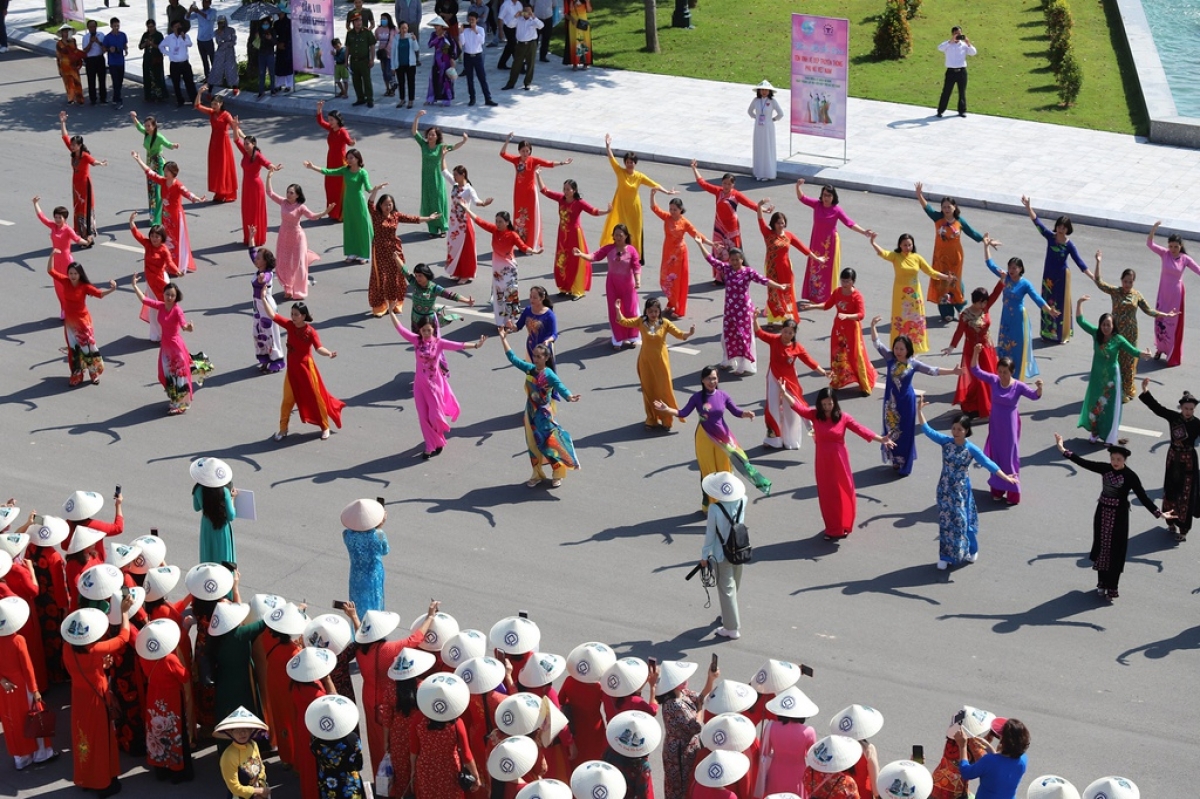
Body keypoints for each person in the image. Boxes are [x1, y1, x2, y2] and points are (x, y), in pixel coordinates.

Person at [1055, 434, 1171, 600]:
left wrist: (1160, 514)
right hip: (1102, 513)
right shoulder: (1105, 469)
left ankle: (1112, 586)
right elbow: (1084, 462)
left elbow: (1143, 497)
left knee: (1115, 552)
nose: (1115, 462)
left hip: (1119, 517)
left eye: (1118, 459)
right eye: (1113, 458)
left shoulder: (1130, 476)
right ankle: (1101, 583)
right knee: (1103, 549)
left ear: (1124, 460)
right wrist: (1062, 449)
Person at [779, 384, 891, 540]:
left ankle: (844, 524)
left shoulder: (843, 417)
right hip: (823, 462)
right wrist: (784, 393)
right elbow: (798, 408)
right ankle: (832, 529)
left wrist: (881, 439)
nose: (827, 408)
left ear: (835, 402)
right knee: (827, 494)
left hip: (840, 461)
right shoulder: (815, 415)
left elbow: (860, 429)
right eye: (824, 404)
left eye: (829, 404)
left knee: (844, 491)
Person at [655, 366, 771, 511]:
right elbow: (683, 413)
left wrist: (746, 413)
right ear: (702, 380)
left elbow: (736, 412)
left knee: (725, 471)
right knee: (708, 472)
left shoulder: (723, 395)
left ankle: (727, 502)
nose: (712, 381)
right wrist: (667, 410)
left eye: (714, 378)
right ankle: (710, 505)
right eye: (709, 378)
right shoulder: (697, 397)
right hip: (704, 438)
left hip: (723, 437)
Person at [918, 401, 1015, 570]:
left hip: (961, 492)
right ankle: (945, 556)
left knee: (963, 523)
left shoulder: (971, 449)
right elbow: (927, 430)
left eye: (960, 429)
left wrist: (1006, 477)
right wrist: (919, 411)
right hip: (944, 489)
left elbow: (988, 463)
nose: (956, 432)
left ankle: (972, 549)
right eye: (954, 428)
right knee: (946, 523)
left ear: (967, 431)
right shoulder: (946, 442)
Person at [870, 315, 960, 478]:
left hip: (907, 403)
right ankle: (895, 459)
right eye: (896, 348)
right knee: (891, 429)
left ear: (908, 350)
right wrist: (872, 326)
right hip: (890, 403)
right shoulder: (890, 358)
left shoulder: (913, 364)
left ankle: (905, 462)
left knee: (905, 432)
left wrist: (953, 372)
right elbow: (877, 344)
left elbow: (933, 371)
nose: (898, 351)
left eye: (901, 349)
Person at [64, 597, 134, 799]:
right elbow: (123, 637)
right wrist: (124, 613)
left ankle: (85, 777)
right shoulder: (94, 649)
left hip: (79, 697)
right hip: (97, 699)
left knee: (82, 738)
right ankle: (103, 783)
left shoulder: (68, 647)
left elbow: (77, 668)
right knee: (101, 740)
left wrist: (98, 666)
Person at [391, 312, 488, 458]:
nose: (425, 333)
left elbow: (458, 345)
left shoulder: (439, 343)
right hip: (419, 385)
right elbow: (400, 329)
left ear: (433, 329)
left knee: (435, 416)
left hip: (434, 386)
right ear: (419, 330)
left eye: (428, 330)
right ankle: (430, 445)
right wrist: (392, 312)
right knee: (423, 417)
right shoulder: (417, 341)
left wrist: (476, 345)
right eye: (423, 330)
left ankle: (439, 439)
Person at [500, 328, 581, 488]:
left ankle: (558, 473)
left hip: (544, 416)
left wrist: (569, 397)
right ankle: (537, 474)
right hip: (530, 414)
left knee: (549, 445)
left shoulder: (549, 374)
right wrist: (503, 339)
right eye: (534, 356)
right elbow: (513, 358)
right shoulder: (529, 369)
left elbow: (560, 386)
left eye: (539, 356)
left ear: (546, 358)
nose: (535, 359)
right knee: (533, 446)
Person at [696, 238, 786, 375]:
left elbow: (764, 280)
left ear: (742, 259)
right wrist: (700, 244)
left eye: (737, 259)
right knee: (727, 335)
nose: (735, 262)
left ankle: (743, 365)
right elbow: (711, 260)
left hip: (743, 310)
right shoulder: (727, 269)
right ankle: (728, 360)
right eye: (732, 260)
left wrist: (779, 286)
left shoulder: (748, 272)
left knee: (743, 337)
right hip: (729, 309)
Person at [1091, 250, 1171, 403]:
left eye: (1130, 282)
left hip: (1131, 333)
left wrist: (1165, 315)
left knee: (1128, 363)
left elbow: (1149, 310)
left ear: (1133, 282)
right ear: (1121, 280)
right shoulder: (1115, 292)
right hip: (1115, 333)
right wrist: (1098, 262)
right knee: (1113, 361)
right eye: (1125, 281)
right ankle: (1112, 388)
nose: (1127, 284)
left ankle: (1127, 390)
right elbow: (1099, 282)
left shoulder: (1136, 295)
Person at [265, 295, 346, 441]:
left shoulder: (310, 332)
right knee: (287, 401)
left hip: (307, 370)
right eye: (292, 314)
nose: (293, 317)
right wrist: (262, 297)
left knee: (316, 398)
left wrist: (328, 353)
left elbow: (319, 348)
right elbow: (272, 315)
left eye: (296, 315)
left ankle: (325, 427)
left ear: (303, 316)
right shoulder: (289, 325)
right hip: (292, 372)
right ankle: (283, 429)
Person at [971, 344, 1042, 506]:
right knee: (996, 456)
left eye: (1005, 372)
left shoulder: (1018, 386)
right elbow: (976, 370)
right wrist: (976, 352)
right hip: (995, 425)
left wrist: (1039, 388)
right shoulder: (994, 380)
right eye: (1000, 371)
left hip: (1010, 427)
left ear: (1012, 372)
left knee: (1009, 458)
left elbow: (1034, 396)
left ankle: (1013, 493)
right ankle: (997, 489)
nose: (1002, 375)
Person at [1074, 295, 1148, 444]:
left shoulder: (1118, 339)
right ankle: (1094, 432)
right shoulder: (1096, 334)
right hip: (1096, 377)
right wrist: (1079, 302)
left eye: (1109, 325)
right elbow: (1080, 321)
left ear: (1113, 326)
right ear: (1100, 325)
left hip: (1112, 379)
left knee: (1109, 407)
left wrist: (1143, 354)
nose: (1106, 327)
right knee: (1094, 405)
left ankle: (1109, 436)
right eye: (1103, 324)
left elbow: (1132, 350)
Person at [982, 234, 1057, 379]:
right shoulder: (1005, 277)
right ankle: (1003, 373)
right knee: (1004, 345)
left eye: (1014, 268)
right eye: (1010, 267)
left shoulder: (1025, 284)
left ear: (1021, 269)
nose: (1011, 270)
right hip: (1006, 318)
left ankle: (1016, 375)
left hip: (1018, 318)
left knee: (1017, 347)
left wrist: (1049, 310)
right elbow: (990, 264)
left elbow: (1037, 298)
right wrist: (986, 246)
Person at [618, 298, 695, 430]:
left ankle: (666, 418)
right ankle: (651, 418)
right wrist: (617, 309)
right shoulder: (641, 321)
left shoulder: (665, 323)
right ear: (646, 311)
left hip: (661, 362)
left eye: (656, 311)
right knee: (649, 390)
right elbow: (623, 321)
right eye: (650, 311)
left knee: (663, 390)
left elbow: (679, 334)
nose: (653, 314)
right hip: (645, 361)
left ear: (659, 311)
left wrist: (689, 333)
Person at [869, 231, 950, 355]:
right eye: (905, 245)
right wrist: (873, 242)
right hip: (900, 295)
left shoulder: (917, 258)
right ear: (900, 245)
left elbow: (931, 272)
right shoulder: (896, 256)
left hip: (914, 295)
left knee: (915, 320)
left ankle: (914, 348)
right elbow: (883, 253)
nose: (907, 247)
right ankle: (899, 349)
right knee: (901, 321)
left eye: (909, 245)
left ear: (913, 245)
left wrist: (946, 277)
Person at [1022, 196, 1090, 343]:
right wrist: (1028, 207)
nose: (1061, 229)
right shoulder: (1051, 237)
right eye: (1059, 226)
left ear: (1068, 229)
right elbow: (1037, 223)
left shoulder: (1069, 245)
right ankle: (1047, 333)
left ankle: (1060, 334)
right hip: (1048, 277)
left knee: (1059, 304)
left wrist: (1092, 276)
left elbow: (1079, 262)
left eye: (1064, 227)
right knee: (1046, 301)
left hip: (1061, 279)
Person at [1138, 381, 1200, 542]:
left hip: (1189, 462)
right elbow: (1158, 409)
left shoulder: (1197, 424)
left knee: (1185, 495)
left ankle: (1184, 529)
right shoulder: (1174, 418)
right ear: (1181, 408)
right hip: (1173, 459)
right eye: (1186, 409)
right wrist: (1145, 391)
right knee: (1170, 492)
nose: (1188, 412)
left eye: (1191, 409)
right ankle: (1170, 522)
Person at [800, 268, 877, 396]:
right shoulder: (837, 292)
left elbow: (861, 315)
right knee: (838, 354)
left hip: (852, 329)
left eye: (847, 281)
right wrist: (813, 306)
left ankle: (864, 385)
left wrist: (848, 316)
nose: (844, 283)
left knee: (854, 356)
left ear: (853, 282)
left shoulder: (857, 296)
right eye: (843, 280)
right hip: (838, 329)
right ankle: (837, 381)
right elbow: (827, 305)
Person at [136, 618, 195, 783]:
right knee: (174, 732)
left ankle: (161, 769)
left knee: (157, 732)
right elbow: (184, 676)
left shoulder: (144, 657)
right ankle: (178, 770)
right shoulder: (170, 659)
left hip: (154, 695)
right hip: (171, 699)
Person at [44, 250, 116, 386]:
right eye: (70, 273)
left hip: (83, 322)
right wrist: (52, 255)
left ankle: (93, 373)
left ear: (80, 274)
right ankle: (77, 375)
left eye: (75, 273)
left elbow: (99, 294)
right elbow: (50, 271)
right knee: (74, 350)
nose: (72, 276)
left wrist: (112, 289)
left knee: (89, 348)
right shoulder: (65, 281)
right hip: (70, 324)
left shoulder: (84, 286)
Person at [132, 276, 202, 414]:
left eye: (172, 295)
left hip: (176, 348)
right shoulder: (161, 306)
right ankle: (175, 399)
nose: (169, 297)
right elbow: (145, 300)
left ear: (176, 297)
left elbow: (184, 325)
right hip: (165, 347)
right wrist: (134, 286)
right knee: (166, 374)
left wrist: (189, 327)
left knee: (179, 375)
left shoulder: (177, 310)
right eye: (167, 294)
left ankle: (180, 404)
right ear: (163, 295)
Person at [915, 183, 984, 322]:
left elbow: (972, 232)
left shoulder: (959, 221)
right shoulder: (938, 219)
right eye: (944, 207)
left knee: (956, 283)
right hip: (940, 258)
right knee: (942, 282)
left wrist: (985, 240)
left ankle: (961, 309)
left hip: (956, 258)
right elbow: (927, 208)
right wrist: (919, 195)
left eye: (949, 206)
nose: (946, 209)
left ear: (954, 207)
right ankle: (946, 312)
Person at [795, 179, 872, 304]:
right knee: (814, 268)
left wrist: (864, 232)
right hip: (816, 242)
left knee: (827, 270)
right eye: (825, 195)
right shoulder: (817, 205)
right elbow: (802, 198)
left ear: (833, 196)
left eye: (829, 195)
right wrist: (798, 186)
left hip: (829, 244)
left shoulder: (837, 210)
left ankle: (825, 297)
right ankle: (814, 295)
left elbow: (849, 223)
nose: (826, 198)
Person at [754, 315, 825, 450]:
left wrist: (823, 372)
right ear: (782, 330)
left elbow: (810, 361)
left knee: (792, 409)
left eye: (790, 333)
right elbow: (759, 332)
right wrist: (754, 319)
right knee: (772, 407)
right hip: (774, 378)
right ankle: (773, 439)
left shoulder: (797, 347)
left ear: (794, 334)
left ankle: (791, 440)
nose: (787, 335)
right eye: (785, 331)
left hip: (790, 381)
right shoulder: (774, 340)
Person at [0, 597, 54, 772]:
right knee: (32, 717)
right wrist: (35, 689)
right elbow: (28, 668)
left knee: (12, 721)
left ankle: (21, 757)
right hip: (22, 685)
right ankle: (41, 754)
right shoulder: (18, 640)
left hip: (5, 687)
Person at [464, 204, 536, 329]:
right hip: (497, 270)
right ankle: (501, 320)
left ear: (507, 222)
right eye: (496, 221)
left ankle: (510, 320)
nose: (497, 224)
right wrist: (467, 209)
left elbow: (523, 246)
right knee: (499, 295)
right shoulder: (494, 230)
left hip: (509, 270)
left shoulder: (512, 235)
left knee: (510, 294)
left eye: (500, 221)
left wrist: (533, 251)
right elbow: (479, 221)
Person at [602, 134, 671, 262]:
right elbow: (611, 158)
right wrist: (608, 146)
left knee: (634, 230)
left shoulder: (639, 176)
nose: (629, 164)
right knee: (620, 231)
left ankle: (635, 256)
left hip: (634, 207)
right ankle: (619, 254)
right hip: (621, 206)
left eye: (631, 162)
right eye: (627, 162)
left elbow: (653, 183)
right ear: (625, 163)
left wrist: (666, 192)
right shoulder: (620, 172)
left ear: (635, 163)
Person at [368, 186, 436, 316]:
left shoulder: (396, 216)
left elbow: (413, 219)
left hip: (395, 249)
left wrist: (429, 218)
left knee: (396, 276)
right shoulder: (376, 216)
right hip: (380, 250)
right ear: (380, 206)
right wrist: (375, 190)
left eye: (390, 204)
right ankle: (381, 306)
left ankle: (395, 303)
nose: (388, 207)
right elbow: (370, 204)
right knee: (381, 277)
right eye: (385, 204)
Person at [132, 152, 205, 274]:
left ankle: (177, 265)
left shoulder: (178, 185)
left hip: (176, 217)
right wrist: (139, 160)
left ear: (173, 172)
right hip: (165, 217)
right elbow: (150, 173)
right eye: (164, 170)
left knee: (176, 240)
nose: (164, 172)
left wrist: (197, 199)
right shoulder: (162, 181)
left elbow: (187, 193)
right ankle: (168, 263)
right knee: (167, 240)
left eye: (167, 171)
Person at [538, 171, 604, 299]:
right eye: (564, 189)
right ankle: (564, 288)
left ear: (574, 190)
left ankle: (577, 290)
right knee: (562, 260)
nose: (565, 191)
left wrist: (607, 211)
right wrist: (537, 175)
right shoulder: (560, 199)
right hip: (562, 235)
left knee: (575, 261)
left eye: (568, 189)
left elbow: (594, 211)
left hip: (574, 235)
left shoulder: (579, 203)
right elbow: (545, 191)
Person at [266, 170, 330, 300]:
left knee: (298, 263)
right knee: (284, 262)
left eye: (291, 193)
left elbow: (312, 216)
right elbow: (270, 193)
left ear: (297, 195)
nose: (288, 195)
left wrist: (325, 212)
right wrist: (269, 177)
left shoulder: (301, 207)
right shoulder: (283, 202)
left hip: (297, 237)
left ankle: (299, 291)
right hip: (284, 235)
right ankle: (288, 287)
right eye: (287, 192)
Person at [698, 471, 748, 639]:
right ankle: (727, 612)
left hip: (722, 553)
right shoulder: (743, 501)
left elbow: (710, 535)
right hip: (740, 548)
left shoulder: (715, 509)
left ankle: (731, 627)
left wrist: (704, 555)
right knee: (735, 582)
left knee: (726, 588)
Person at [576, 224, 642, 350]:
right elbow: (595, 256)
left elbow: (636, 266)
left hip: (628, 285)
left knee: (630, 311)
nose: (618, 237)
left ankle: (633, 337)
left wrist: (638, 280)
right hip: (612, 284)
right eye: (616, 235)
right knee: (615, 311)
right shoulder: (609, 249)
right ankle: (618, 339)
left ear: (626, 236)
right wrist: (581, 255)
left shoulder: (632, 250)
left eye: (620, 235)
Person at [659, 662, 719, 799]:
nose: (686, 681)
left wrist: (710, 678)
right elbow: (696, 726)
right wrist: (699, 709)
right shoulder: (674, 704)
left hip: (685, 747)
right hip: (679, 752)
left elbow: (701, 698)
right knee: (679, 786)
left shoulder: (682, 693)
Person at [303, 148, 372, 264]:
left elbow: (368, 188)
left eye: (351, 158)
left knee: (362, 228)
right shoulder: (345, 170)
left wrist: (375, 190)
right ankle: (352, 253)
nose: (349, 160)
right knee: (350, 227)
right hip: (348, 203)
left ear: (358, 159)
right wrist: (312, 167)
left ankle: (364, 254)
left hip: (359, 203)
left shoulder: (362, 172)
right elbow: (328, 172)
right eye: (347, 158)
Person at [941, 286, 1000, 418]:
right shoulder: (965, 314)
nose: (984, 304)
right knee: (977, 379)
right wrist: (951, 346)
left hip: (987, 349)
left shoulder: (985, 308)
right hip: (972, 352)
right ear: (975, 301)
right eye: (981, 302)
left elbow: (995, 294)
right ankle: (974, 405)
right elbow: (959, 331)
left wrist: (1001, 281)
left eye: (985, 302)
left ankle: (989, 404)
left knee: (989, 377)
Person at [1145, 222, 1199, 366]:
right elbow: (1150, 244)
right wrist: (1154, 229)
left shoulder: (1185, 259)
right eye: (1171, 246)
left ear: (1180, 246)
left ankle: (1170, 352)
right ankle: (1160, 349)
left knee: (1172, 324)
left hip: (1176, 295)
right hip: (1163, 293)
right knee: (1159, 321)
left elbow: (1198, 270)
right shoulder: (1164, 254)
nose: (1173, 249)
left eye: (1176, 246)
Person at [756, 200, 818, 324]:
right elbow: (760, 220)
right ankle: (771, 319)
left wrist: (816, 258)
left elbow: (802, 247)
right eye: (778, 223)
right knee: (773, 292)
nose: (780, 225)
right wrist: (759, 206)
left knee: (786, 292)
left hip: (786, 267)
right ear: (773, 224)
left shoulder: (789, 236)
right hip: (771, 268)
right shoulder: (767, 233)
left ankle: (786, 317)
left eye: (782, 223)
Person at [501, 135, 568, 249]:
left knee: (530, 218)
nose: (525, 153)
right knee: (519, 217)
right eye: (523, 151)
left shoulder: (533, 161)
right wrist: (507, 141)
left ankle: (531, 243)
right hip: (518, 193)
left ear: (530, 151)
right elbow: (502, 154)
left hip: (530, 193)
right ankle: (521, 242)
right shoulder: (516, 160)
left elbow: (548, 163)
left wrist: (562, 163)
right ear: (519, 151)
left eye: (527, 151)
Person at [413, 111, 467, 237]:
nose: (430, 136)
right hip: (426, 179)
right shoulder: (424, 145)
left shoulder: (441, 147)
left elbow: (453, 147)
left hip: (437, 179)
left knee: (438, 201)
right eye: (429, 134)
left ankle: (442, 227)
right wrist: (417, 118)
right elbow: (414, 132)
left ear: (437, 137)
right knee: (429, 201)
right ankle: (432, 228)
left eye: (433, 135)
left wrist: (463, 141)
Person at [650, 190, 701, 318]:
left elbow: (697, 235)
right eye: (671, 209)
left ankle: (678, 308)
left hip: (679, 255)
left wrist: (712, 244)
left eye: (675, 209)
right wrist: (652, 195)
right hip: (667, 253)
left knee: (677, 282)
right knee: (664, 280)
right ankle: (672, 302)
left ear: (681, 210)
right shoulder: (667, 217)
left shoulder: (685, 222)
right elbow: (654, 208)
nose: (672, 211)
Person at [60, 112, 106, 245]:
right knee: (77, 208)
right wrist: (63, 122)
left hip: (85, 185)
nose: (72, 146)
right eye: (72, 145)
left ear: (80, 145)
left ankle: (89, 236)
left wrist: (101, 163)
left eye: (74, 145)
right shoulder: (74, 154)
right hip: (76, 185)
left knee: (86, 208)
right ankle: (81, 234)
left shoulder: (84, 156)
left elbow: (93, 161)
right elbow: (64, 136)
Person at [444, 157, 493, 283]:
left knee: (465, 250)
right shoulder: (455, 186)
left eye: (456, 175)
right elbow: (444, 171)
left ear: (463, 174)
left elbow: (477, 201)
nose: (454, 177)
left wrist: (484, 203)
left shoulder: (469, 189)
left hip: (464, 224)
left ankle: (466, 274)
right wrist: (443, 156)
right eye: (454, 175)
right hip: (454, 222)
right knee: (453, 247)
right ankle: (457, 272)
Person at [953, 720, 1028, 798]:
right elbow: (1002, 766)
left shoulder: (989, 761)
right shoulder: (1023, 759)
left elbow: (966, 773)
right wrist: (991, 749)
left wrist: (962, 746)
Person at [340, 499, 390, 613]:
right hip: (374, 574)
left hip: (356, 574)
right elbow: (385, 550)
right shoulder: (379, 534)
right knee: (375, 601)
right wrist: (380, 525)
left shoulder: (347, 534)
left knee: (357, 603)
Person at [216, 707, 271, 798]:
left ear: (251, 731)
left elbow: (261, 768)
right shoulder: (228, 756)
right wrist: (258, 791)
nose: (242, 733)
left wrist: (262, 784)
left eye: (246, 729)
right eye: (237, 730)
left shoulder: (253, 745)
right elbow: (234, 787)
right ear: (230, 732)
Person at [246, 239, 285, 373]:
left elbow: (267, 278)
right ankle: (265, 359)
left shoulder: (267, 273)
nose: (255, 259)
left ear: (265, 262)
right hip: (258, 307)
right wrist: (251, 237)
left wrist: (262, 279)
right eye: (256, 258)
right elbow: (252, 253)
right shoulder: (260, 269)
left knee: (270, 335)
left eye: (258, 258)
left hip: (266, 307)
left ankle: (276, 362)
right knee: (258, 333)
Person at [195, 90, 237, 203]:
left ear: (221, 104)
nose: (213, 106)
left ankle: (225, 193)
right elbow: (197, 105)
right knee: (216, 168)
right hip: (214, 142)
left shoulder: (226, 115)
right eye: (212, 104)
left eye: (215, 104)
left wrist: (244, 137)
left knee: (223, 167)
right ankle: (218, 192)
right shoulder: (212, 112)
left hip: (223, 144)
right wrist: (199, 93)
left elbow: (234, 127)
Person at [315, 102, 354, 222]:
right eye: (329, 120)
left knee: (339, 188)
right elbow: (320, 122)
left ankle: (340, 214)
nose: (330, 122)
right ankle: (332, 212)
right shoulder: (331, 129)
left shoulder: (342, 131)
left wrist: (352, 143)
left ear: (337, 120)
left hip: (341, 162)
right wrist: (319, 109)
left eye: (332, 120)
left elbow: (348, 141)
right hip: (330, 160)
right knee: (330, 186)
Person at [935, 26, 975, 118]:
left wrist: (968, 43)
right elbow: (940, 48)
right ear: (952, 34)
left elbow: (973, 53)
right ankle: (940, 111)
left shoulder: (964, 45)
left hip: (961, 71)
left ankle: (962, 111)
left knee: (962, 92)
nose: (958, 35)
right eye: (956, 33)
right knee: (946, 91)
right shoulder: (948, 44)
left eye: (960, 33)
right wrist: (950, 41)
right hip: (951, 72)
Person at [748, 81, 784, 181]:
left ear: (769, 91)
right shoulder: (756, 101)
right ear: (759, 91)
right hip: (758, 127)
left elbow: (781, 113)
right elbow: (749, 111)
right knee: (759, 147)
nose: (764, 92)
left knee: (767, 148)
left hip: (768, 127)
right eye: (762, 90)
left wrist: (773, 119)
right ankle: (759, 172)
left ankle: (768, 173)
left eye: (766, 90)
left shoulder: (772, 101)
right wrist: (756, 117)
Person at [459, 11, 497, 106]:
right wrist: (461, 32)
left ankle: (488, 98)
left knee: (482, 78)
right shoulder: (466, 30)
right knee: (469, 79)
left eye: (473, 20)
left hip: (477, 56)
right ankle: (472, 98)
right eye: (470, 19)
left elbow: (482, 41)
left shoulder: (480, 29)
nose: (471, 21)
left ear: (477, 20)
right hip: (468, 56)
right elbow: (462, 43)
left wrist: (475, 31)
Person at [502, 4, 543, 90]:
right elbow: (509, 25)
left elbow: (541, 26)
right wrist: (515, 16)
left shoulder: (533, 20)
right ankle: (511, 83)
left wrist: (534, 17)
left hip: (531, 44)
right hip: (520, 45)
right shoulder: (519, 20)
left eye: (529, 11)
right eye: (525, 10)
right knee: (516, 64)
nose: (527, 13)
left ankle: (527, 83)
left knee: (530, 64)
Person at [516, 285, 558, 365]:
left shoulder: (549, 315)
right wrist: (510, 327)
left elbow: (554, 334)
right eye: (530, 296)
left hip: (543, 350)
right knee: (531, 374)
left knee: (544, 376)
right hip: (530, 347)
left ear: (542, 298)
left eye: (534, 297)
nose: (531, 299)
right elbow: (518, 326)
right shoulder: (527, 310)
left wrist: (548, 340)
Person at [161, 21, 197, 106]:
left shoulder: (185, 36)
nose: (178, 28)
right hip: (174, 64)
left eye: (179, 26)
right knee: (176, 83)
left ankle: (194, 100)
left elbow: (190, 44)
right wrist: (168, 53)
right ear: (172, 28)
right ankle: (180, 100)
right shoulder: (169, 38)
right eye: (176, 26)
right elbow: (161, 46)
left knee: (189, 82)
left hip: (184, 63)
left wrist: (183, 37)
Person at [345, 12, 376, 107]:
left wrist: (372, 59)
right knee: (356, 81)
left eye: (360, 20)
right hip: (354, 61)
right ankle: (360, 98)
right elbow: (347, 48)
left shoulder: (367, 32)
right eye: (357, 20)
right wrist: (346, 61)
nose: (359, 22)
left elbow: (372, 46)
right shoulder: (350, 34)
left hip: (364, 61)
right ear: (353, 22)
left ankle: (369, 99)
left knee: (366, 80)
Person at [426, 18, 459, 105]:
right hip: (436, 61)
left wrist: (452, 58)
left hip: (445, 60)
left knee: (446, 80)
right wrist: (438, 38)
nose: (435, 27)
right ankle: (431, 98)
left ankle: (447, 99)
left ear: (441, 26)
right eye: (434, 25)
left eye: (437, 25)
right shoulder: (433, 34)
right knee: (433, 78)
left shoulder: (447, 35)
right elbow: (430, 44)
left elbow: (453, 47)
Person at [138, 20, 169, 102]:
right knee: (148, 77)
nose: (150, 29)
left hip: (156, 59)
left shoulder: (159, 35)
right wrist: (145, 44)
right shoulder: (145, 35)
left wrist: (152, 44)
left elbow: (161, 47)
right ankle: (149, 95)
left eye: (152, 26)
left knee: (158, 77)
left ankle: (160, 95)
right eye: (149, 27)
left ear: (155, 26)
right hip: (148, 59)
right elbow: (140, 46)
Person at [56, 26, 85, 105]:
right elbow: (58, 57)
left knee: (77, 82)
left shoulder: (73, 41)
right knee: (68, 83)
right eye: (64, 32)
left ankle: (80, 98)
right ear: (61, 33)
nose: (66, 33)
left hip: (74, 65)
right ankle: (71, 98)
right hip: (65, 66)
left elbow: (75, 51)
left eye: (68, 32)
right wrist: (59, 69)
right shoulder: (59, 44)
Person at [81, 20, 108, 106]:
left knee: (102, 79)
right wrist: (91, 42)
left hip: (99, 58)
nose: (92, 28)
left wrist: (97, 41)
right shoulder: (85, 37)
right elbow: (85, 51)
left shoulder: (101, 35)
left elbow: (105, 48)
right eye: (90, 27)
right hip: (90, 60)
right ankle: (93, 98)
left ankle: (103, 97)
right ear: (88, 28)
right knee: (91, 80)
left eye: (94, 26)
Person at [393, 20, 419, 108]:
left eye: (406, 28)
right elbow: (393, 53)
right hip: (400, 64)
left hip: (410, 64)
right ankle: (402, 99)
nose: (404, 30)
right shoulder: (396, 38)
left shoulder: (410, 37)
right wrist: (392, 66)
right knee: (401, 82)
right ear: (399, 29)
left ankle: (411, 100)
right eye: (402, 28)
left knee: (411, 82)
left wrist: (414, 40)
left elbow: (416, 49)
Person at [104, 18, 128, 109]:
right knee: (115, 81)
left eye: (118, 26)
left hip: (121, 61)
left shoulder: (123, 35)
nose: (116, 27)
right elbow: (103, 48)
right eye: (114, 26)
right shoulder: (108, 37)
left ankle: (115, 98)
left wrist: (126, 49)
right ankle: (118, 99)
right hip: (112, 62)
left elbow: (125, 44)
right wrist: (109, 49)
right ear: (111, 26)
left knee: (120, 81)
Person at [187, 0, 215, 79]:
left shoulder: (213, 11)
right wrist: (190, 11)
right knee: (204, 59)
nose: (204, 4)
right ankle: (207, 76)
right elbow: (187, 18)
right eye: (203, 2)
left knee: (212, 58)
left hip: (208, 39)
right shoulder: (199, 12)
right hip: (200, 39)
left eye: (206, 2)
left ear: (209, 3)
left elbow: (209, 17)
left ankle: (216, 75)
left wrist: (198, 11)